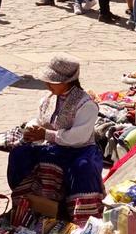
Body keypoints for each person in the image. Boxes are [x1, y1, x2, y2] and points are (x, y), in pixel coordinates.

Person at [7, 55, 104, 225]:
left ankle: (82, 220)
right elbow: (40, 120)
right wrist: (31, 129)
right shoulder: (49, 99)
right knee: (20, 154)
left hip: (80, 150)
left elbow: (78, 137)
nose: (48, 84)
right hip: (55, 147)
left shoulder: (86, 105)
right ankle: (25, 205)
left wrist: (46, 135)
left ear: (68, 82)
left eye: (53, 82)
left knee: (83, 167)